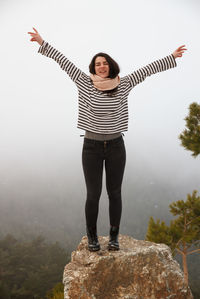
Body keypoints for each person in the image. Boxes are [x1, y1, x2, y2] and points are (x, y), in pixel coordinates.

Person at [28, 27, 187, 252]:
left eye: (104, 63)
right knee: (93, 194)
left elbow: (147, 70)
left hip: (115, 146)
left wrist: (171, 57)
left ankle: (113, 237)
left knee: (115, 193)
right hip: (91, 147)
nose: (101, 66)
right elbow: (63, 62)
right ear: (93, 68)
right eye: (97, 64)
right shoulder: (84, 83)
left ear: (111, 65)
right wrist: (42, 43)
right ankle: (92, 236)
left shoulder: (123, 84)